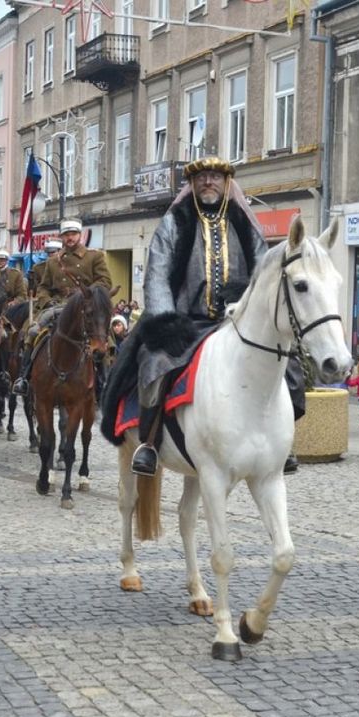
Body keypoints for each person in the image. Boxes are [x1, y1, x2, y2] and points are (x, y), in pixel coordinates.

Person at [130, 156, 285, 477]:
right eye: (201, 177)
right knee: (154, 361)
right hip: (187, 322)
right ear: (192, 184)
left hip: (236, 321)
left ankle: (280, 443)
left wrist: (250, 299)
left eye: (215, 176)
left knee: (285, 364)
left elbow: (265, 271)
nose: (208, 182)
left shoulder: (244, 223)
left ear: (227, 182)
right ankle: (149, 442)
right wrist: (166, 321)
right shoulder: (175, 222)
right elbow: (156, 274)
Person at [12, 221, 111, 395]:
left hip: (85, 306)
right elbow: (43, 287)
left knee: (104, 337)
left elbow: (104, 282)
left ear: (80, 235)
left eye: (73, 234)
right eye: (66, 234)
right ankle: (24, 376)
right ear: (62, 237)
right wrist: (46, 301)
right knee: (32, 330)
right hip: (57, 306)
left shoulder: (94, 257)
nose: (70, 237)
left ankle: (106, 381)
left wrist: (85, 294)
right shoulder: (53, 262)